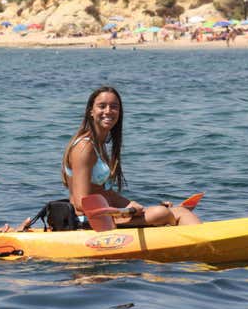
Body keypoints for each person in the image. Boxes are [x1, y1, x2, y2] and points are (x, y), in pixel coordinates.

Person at [61, 86, 201, 228]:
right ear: (91, 111)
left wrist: (138, 208)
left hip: (106, 217)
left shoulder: (99, 146)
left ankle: (201, 241)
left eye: (114, 107)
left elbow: (107, 194)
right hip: (89, 222)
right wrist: (125, 212)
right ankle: (197, 244)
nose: (108, 111)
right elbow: (80, 203)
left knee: (178, 211)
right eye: (102, 106)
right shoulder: (84, 148)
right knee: (162, 214)